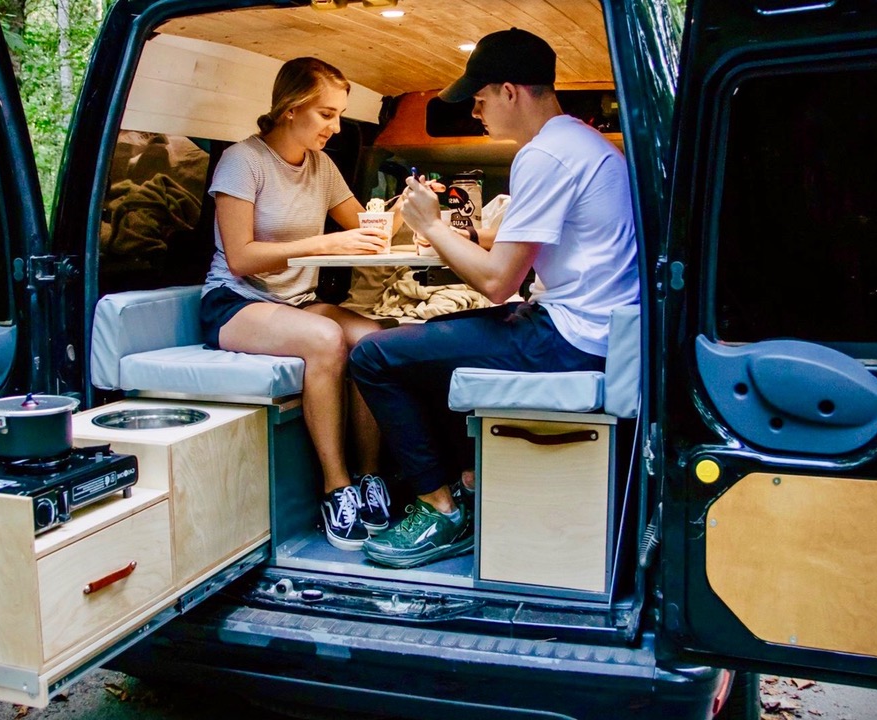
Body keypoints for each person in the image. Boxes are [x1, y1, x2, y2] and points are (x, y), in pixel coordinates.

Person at [348, 28, 641, 569]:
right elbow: (514, 252)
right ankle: (468, 478)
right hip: (594, 329)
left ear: (510, 91)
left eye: (479, 100)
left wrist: (431, 226)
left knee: (372, 354)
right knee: (431, 345)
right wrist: (451, 231)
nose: (476, 112)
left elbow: (498, 281)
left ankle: (440, 509)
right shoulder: (579, 142)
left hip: (571, 339)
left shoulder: (546, 155)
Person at [200, 57, 391, 551]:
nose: (336, 126)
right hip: (235, 301)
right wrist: (325, 245)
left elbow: (365, 229)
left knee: (374, 340)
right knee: (325, 339)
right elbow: (241, 258)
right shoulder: (243, 161)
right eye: (326, 114)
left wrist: (410, 212)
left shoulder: (321, 166)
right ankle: (336, 487)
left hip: (296, 300)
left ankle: (372, 477)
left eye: (340, 115)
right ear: (290, 108)